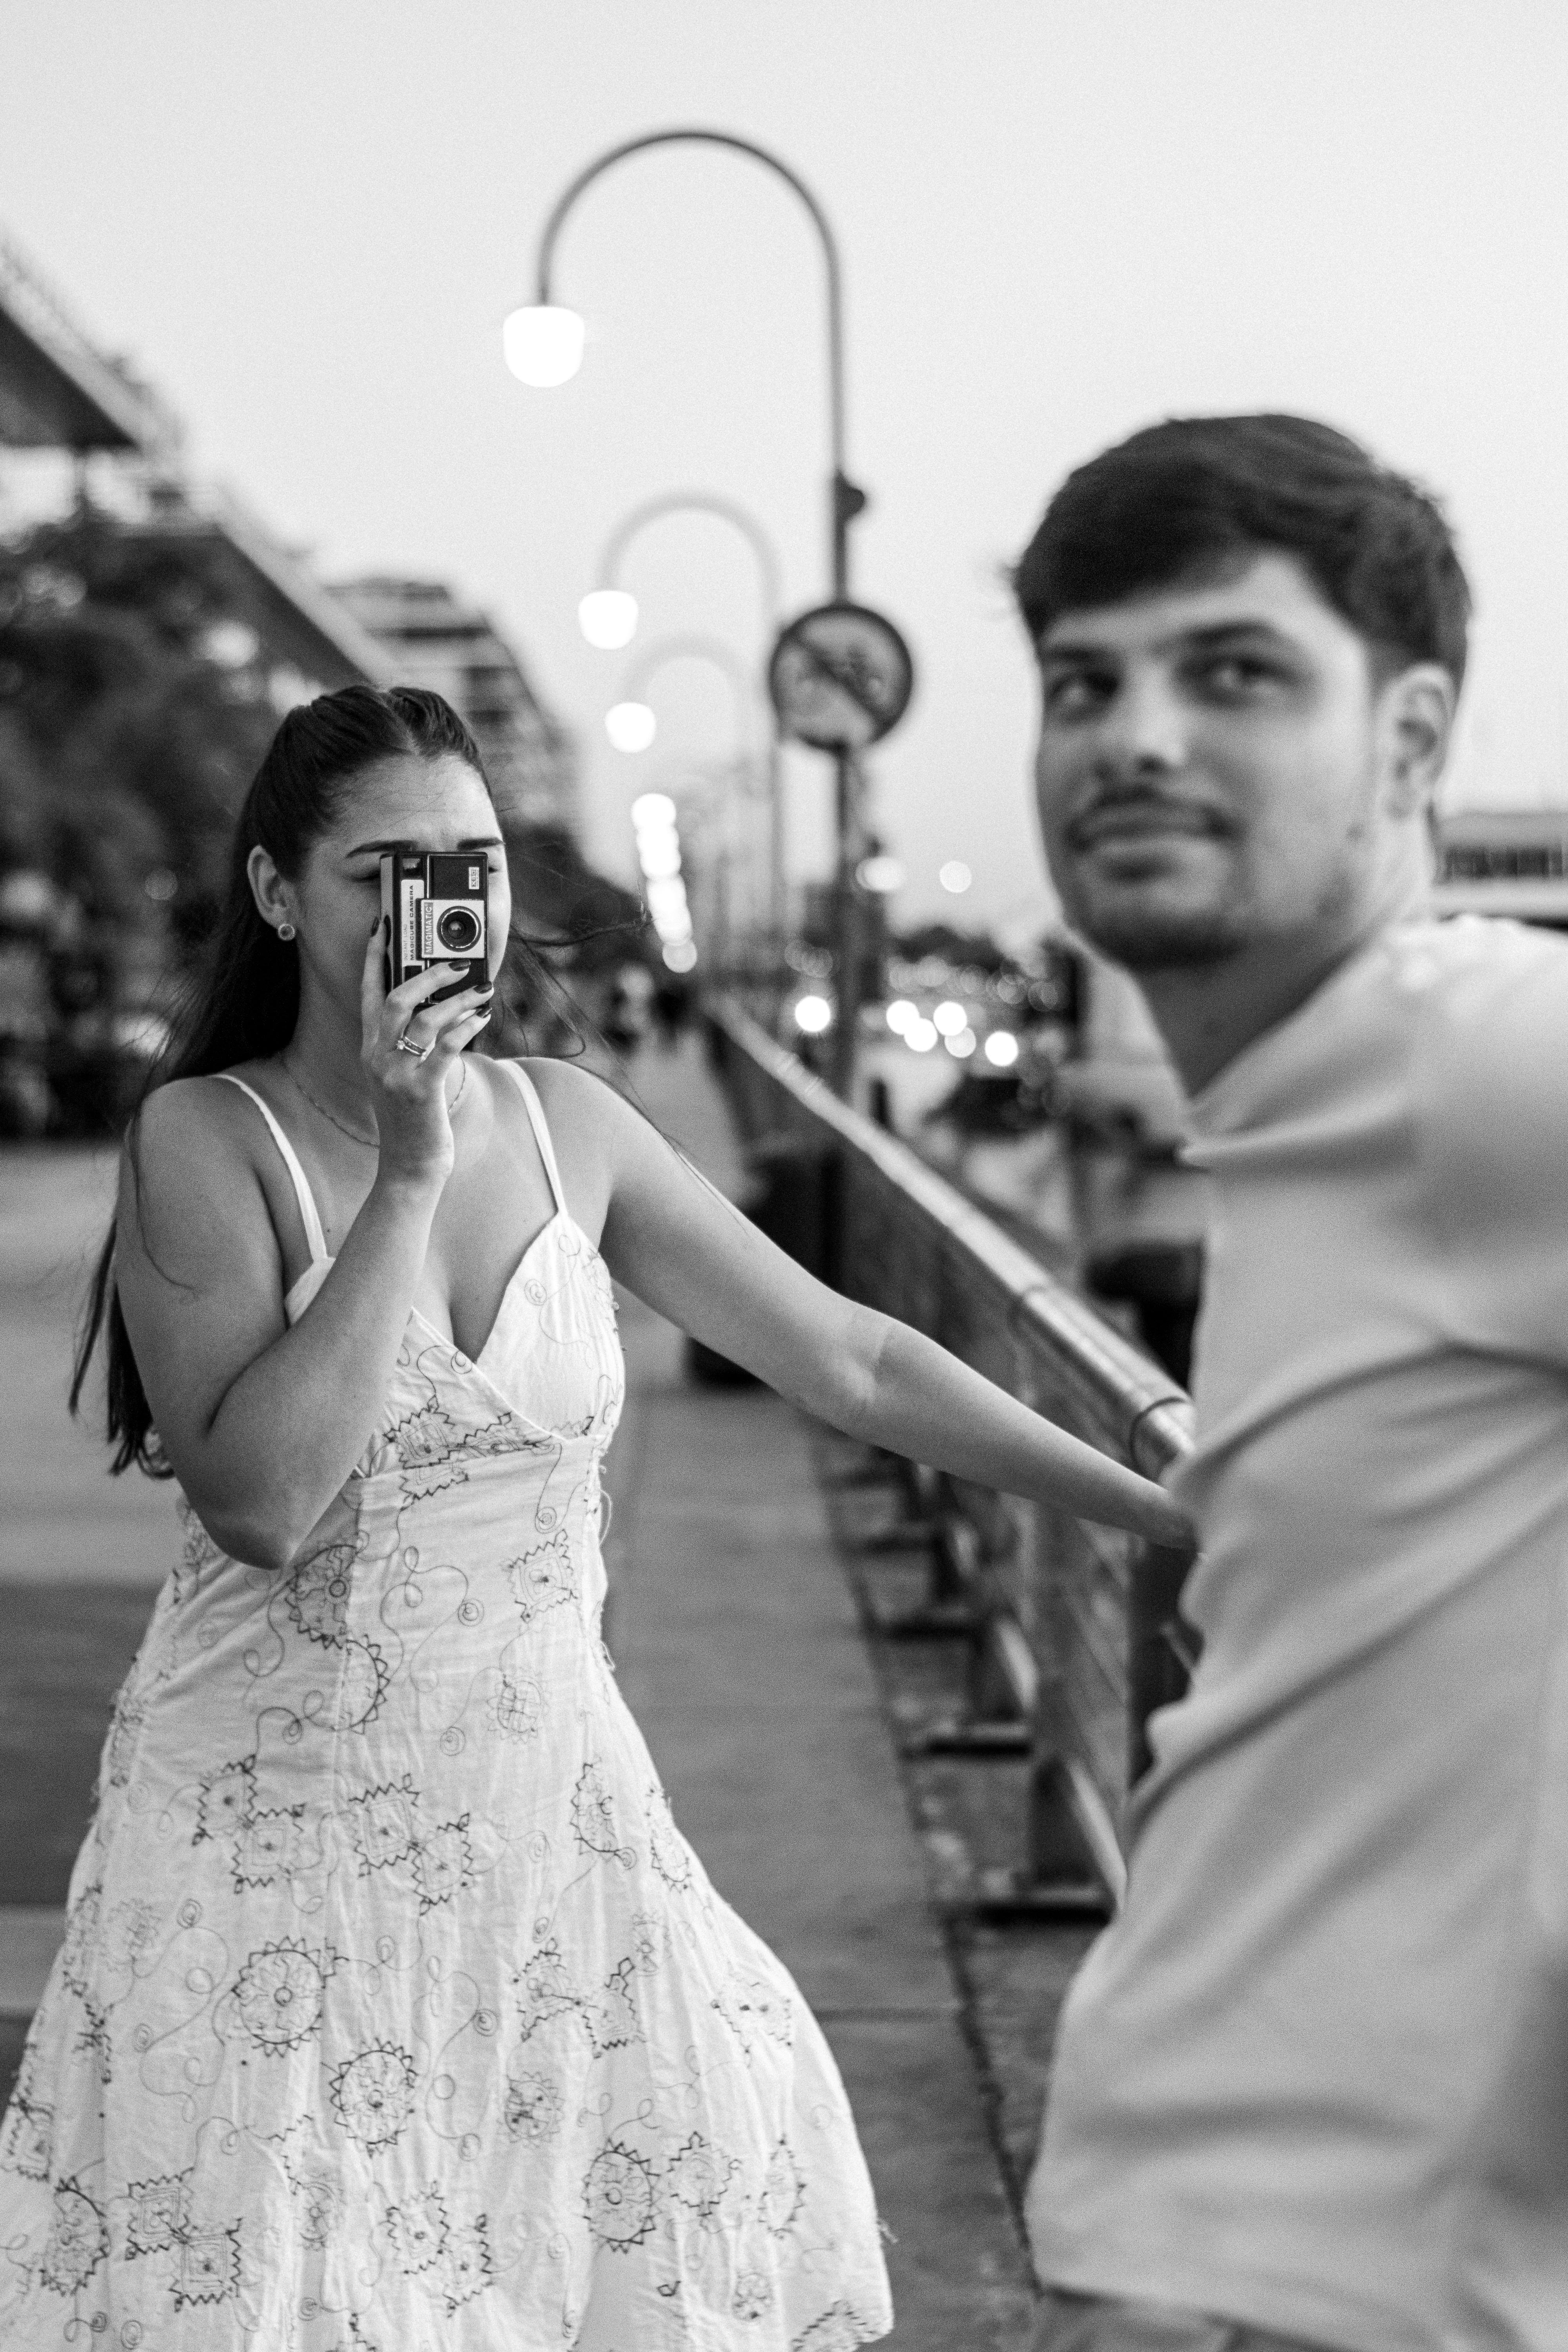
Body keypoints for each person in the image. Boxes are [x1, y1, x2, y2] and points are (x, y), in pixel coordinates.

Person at [0, 685, 1185, 2351]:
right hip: (276, 1826)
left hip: (548, 1809)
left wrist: (1161, 1507)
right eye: (387, 871)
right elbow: (262, 1500)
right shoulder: (212, 1139)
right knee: (296, 2276)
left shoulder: (571, 1122)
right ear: (279, 893)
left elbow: (848, 1357)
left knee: (587, 2243)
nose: (443, 908)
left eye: (470, 865)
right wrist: (410, 1173)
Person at [1014, 414, 1568, 2352]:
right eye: (1085, 681)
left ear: (1410, 743)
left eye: (1232, 672)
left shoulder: (1478, 1055)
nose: (1134, 734)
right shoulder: (1297, 1112)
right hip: (1202, 2246)